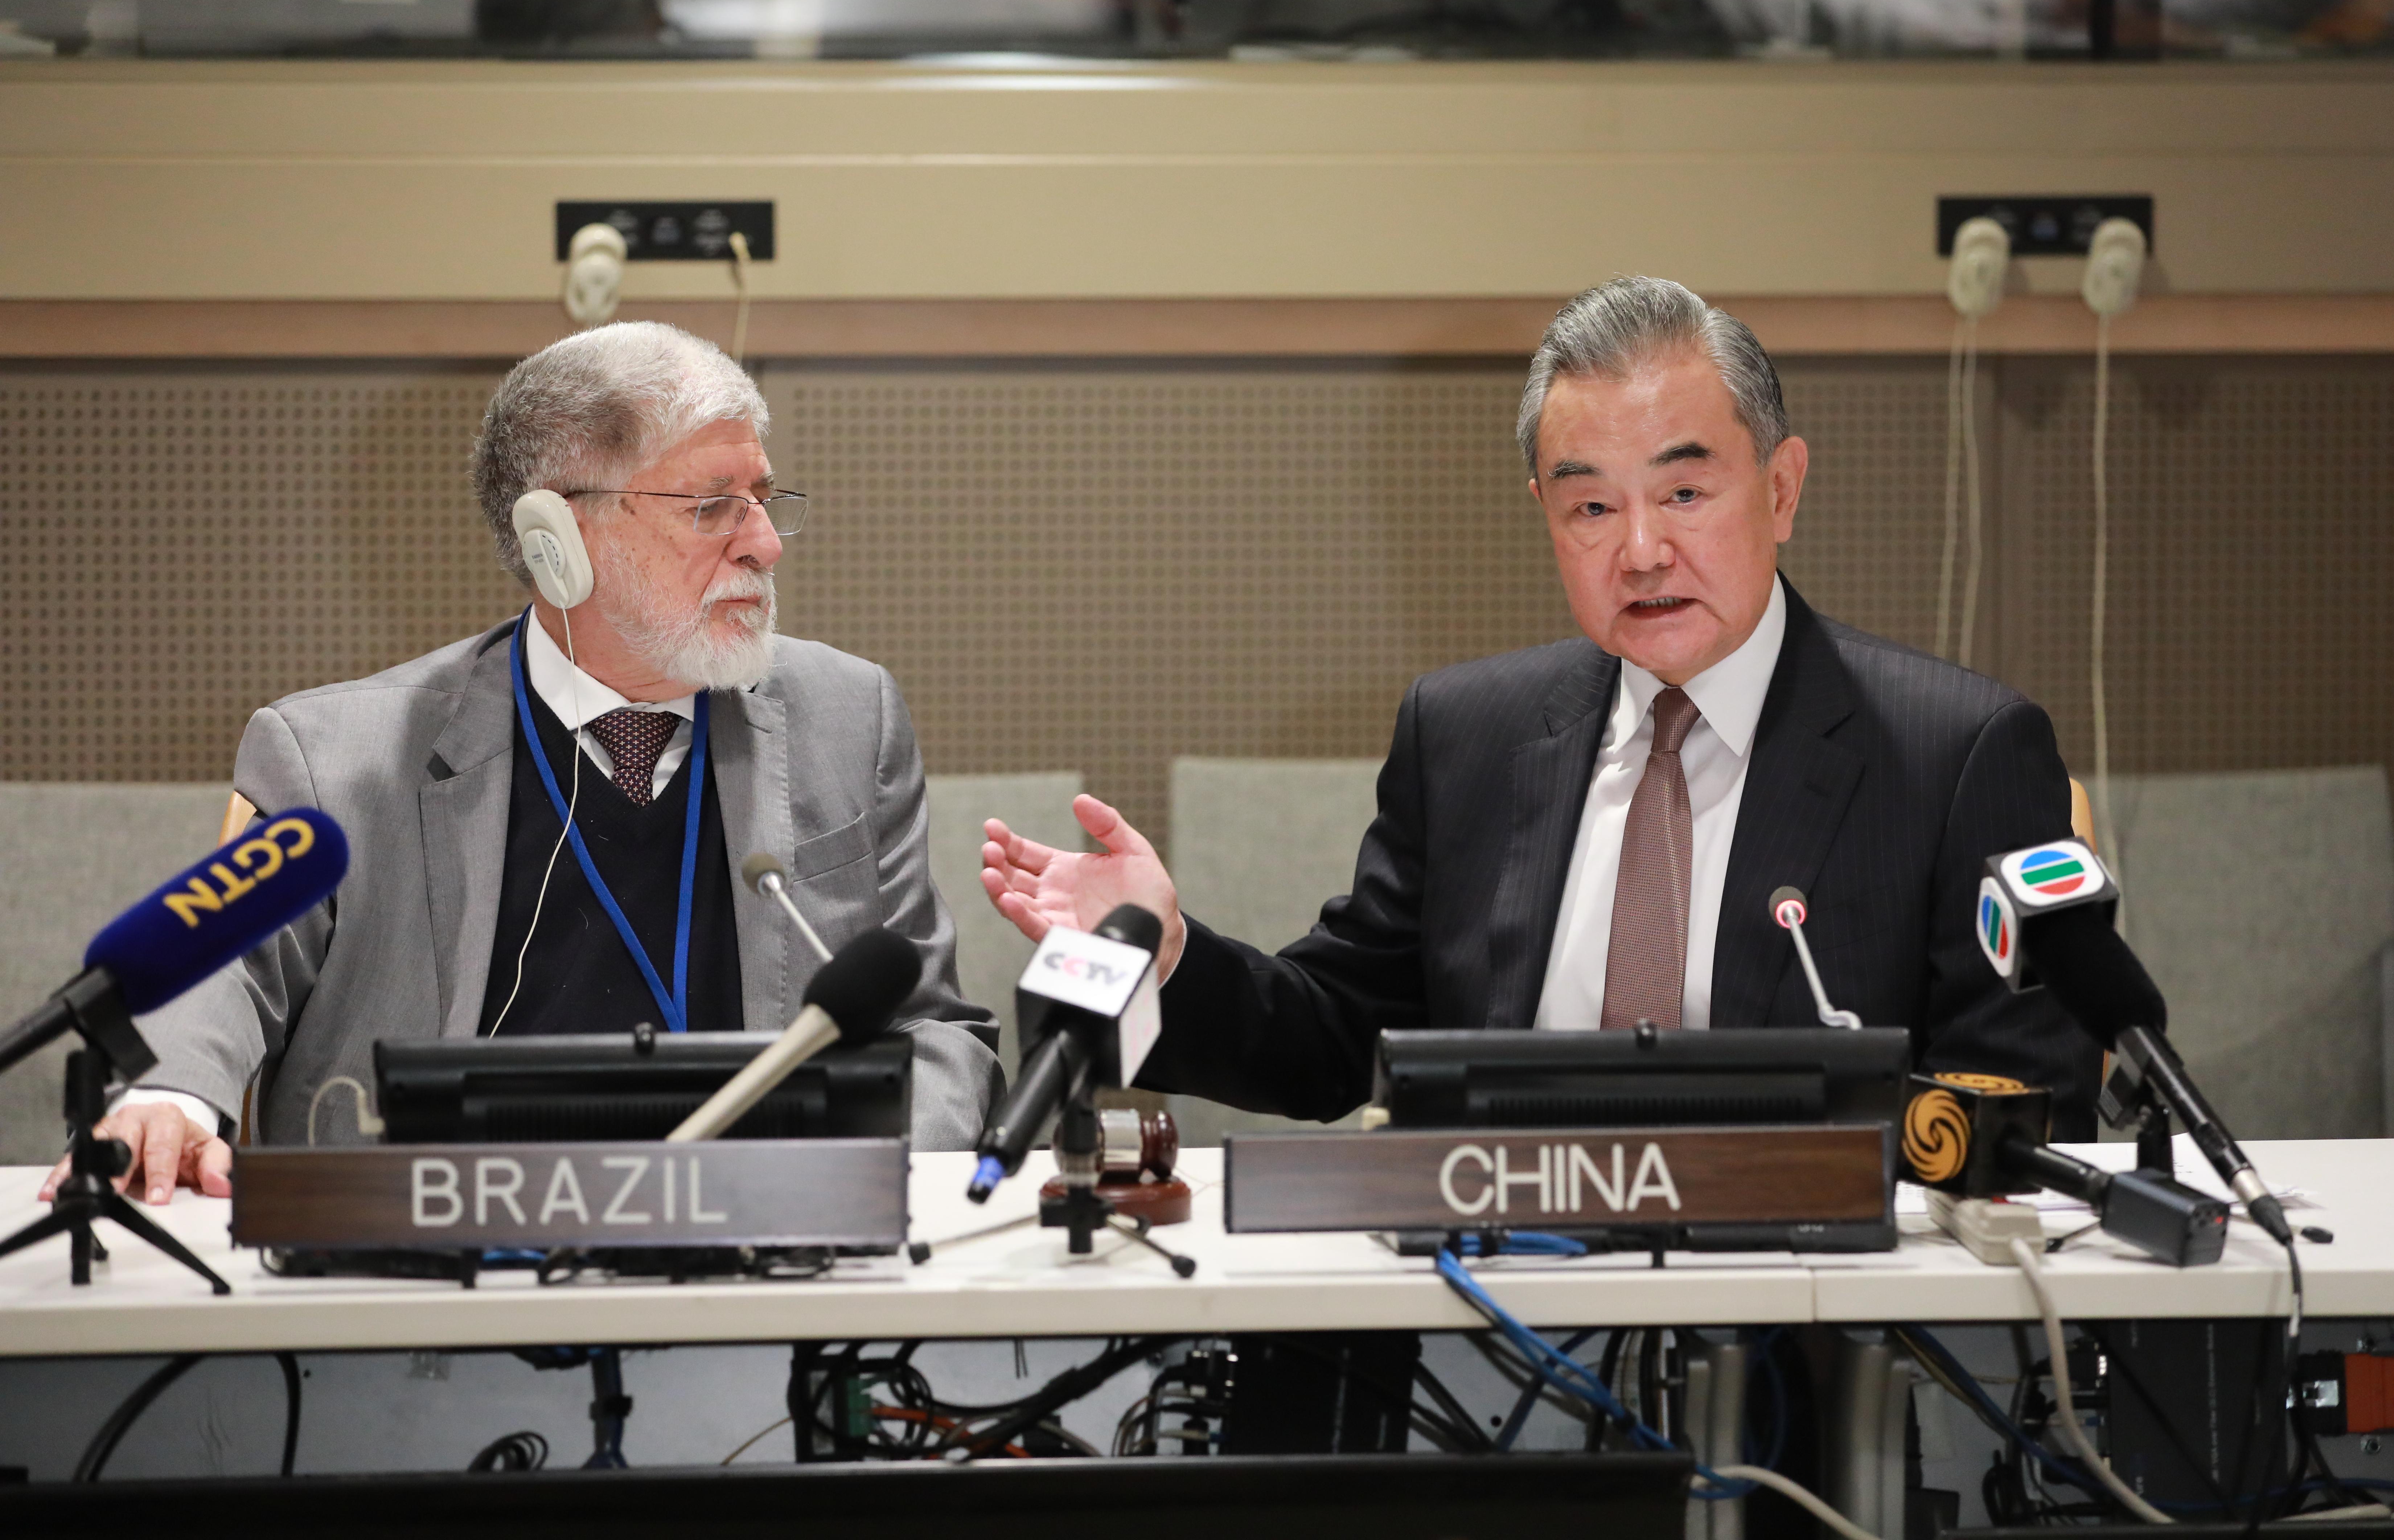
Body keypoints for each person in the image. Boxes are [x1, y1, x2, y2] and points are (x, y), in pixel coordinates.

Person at [982, 276, 2097, 1136]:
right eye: (1592, 509)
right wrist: (1162, 953)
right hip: (1496, 1337)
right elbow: (1335, 1044)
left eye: (1686, 492)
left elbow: (2029, 1111)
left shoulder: (1954, 756)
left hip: (1806, 1356)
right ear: (1545, 518)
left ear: (1785, 487)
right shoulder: (1470, 737)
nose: (1643, 549)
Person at [44, 322, 998, 1208]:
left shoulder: (847, 718)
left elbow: (932, 1030)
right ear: (560, 540)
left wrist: (902, 1177)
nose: (766, 543)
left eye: (764, 500)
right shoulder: (339, 760)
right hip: (437, 1283)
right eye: (715, 508)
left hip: (765, 1258)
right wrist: (169, 1097)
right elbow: (224, 968)